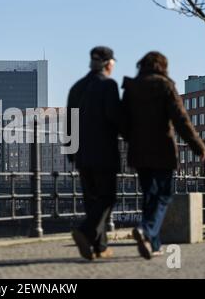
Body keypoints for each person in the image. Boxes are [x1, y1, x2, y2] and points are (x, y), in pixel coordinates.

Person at [122, 51, 205, 260]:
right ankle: (146, 230)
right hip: (162, 150)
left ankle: (154, 243)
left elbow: (122, 121)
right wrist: (198, 146)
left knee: (149, 195)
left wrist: (132, 137)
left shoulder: (131, 87)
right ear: (162, 66)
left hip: (139, 151)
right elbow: (181, 119)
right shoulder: (165, 85)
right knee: (163, 195)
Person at [67, 46, 121, 260]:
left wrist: (71, 152)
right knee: (107, 197)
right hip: (104, 153)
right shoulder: (108, 85)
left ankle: (100, 247)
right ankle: (85, 231)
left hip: (81, 154)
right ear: (108, 64)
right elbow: (115, 117)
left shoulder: (76, 87)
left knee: (91, 201)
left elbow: (70, 121)